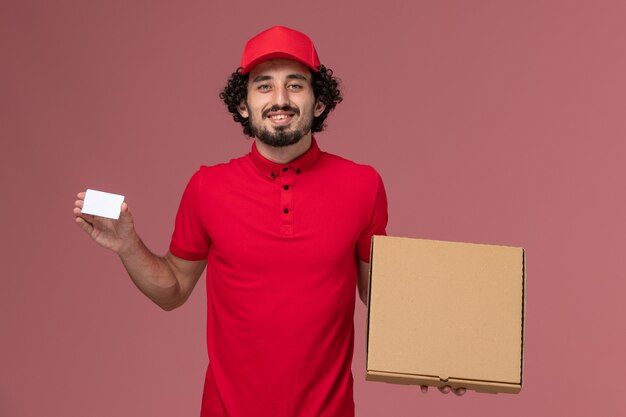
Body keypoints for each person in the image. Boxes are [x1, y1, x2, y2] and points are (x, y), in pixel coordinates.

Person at [74, 26, 462, 417]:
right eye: (264, 86)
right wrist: (128, 245)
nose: (280, 100)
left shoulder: (363, 185)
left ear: (319, 101)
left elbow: (379, 294)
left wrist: (442, 356)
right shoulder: (207, 186)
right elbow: (173, 289)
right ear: (243, 104)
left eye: (295, 85)